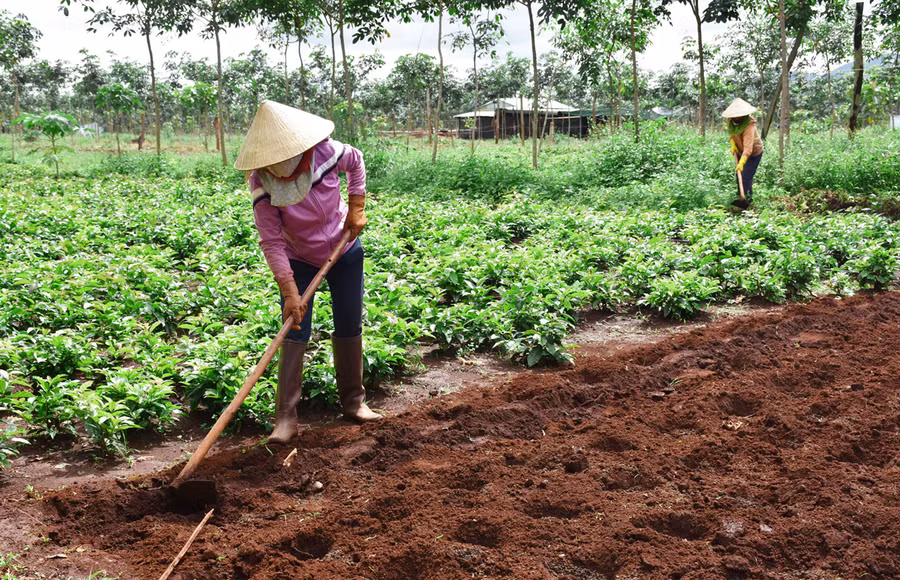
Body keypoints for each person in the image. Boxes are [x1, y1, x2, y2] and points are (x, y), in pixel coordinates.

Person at [234, 100, 382, 445]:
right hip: (298, 258)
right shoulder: (261, 185)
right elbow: (271, 241)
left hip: (343, 247)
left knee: (349, 321)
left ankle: (354, 403)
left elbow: (356, 161)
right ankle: (286, 418)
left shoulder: (326, 152)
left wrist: (356, 208)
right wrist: (289, 291)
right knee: (296, 328)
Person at [722, 98, 764, 206]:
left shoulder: (749, 125)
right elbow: (732, 133)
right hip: (741, 150)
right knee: (739, 174)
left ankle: (748, 200)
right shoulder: (730, 122)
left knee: (746, 176)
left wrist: (743, 161)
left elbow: (748, 147)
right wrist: (732, 142)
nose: (735, 118)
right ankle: (741, 195)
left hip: (754, 153)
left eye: (738, 116)